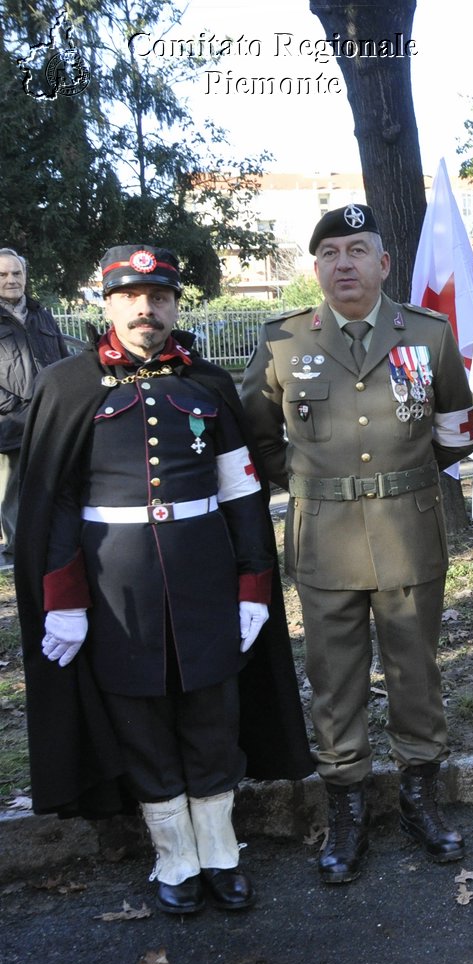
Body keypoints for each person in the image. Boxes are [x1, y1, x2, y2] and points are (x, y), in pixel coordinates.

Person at [15, 245, 311, 914]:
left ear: (177, 304)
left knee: (213, 716)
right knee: (142, 722)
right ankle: (174, 859)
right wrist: (63, 601)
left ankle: (221, 854)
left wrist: (253, 585)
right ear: (108, 302)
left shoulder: (207, 384)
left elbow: (241, 492)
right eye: (130, 296)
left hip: (205, 583)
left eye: (160, 296)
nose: (146, 308)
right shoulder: (66, 385)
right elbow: (54, 503)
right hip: (117, 594)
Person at [242, 205, 473, 883]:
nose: (343, 263)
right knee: (335, 681)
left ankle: (418, 797)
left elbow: (456, 427)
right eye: (330, 253)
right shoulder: (284, 341)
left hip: (410, 532)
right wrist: (317, 483)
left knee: (416, 671)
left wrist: (404, 482)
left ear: (384, 262)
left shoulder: (427, 334)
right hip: (325, 541)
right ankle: (345, 808)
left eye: (357, 250)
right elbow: (257, 434)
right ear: (315, 268)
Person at [0, 248, 75, 568]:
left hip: (50, 417)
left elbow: (61, 360)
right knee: (11, 491)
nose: (11, 280)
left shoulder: (41, 314)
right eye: (2, 275)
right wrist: (13, 407)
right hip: (8, 422)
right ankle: (14, 553)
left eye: (16, 273)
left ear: (25, 277)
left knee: (53, 483)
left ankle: (50, 543)